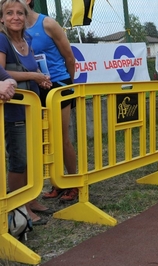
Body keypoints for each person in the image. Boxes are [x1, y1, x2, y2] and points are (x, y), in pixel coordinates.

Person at [0, 0, 53, 225]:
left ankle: (30, 200)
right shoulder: (2, 39)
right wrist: (34, 77)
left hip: (32, 108)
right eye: (9, 13)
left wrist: (41, 78)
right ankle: (19, 208)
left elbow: (31, 67)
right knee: (19, 160)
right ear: (2, 18)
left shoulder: (27, 39)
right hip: (14, 110)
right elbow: (2, 71)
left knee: (32, 157)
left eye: (20, 13)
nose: (15, 17)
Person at [25, 0, 78, 202]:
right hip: (35, 86)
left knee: (61, 137)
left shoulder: (47, 23)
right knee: (44, 140)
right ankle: (57, 183)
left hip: (58, 85)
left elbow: (69, 57)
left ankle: (72, 183)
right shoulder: (14, 26)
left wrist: (67, 87)